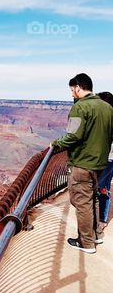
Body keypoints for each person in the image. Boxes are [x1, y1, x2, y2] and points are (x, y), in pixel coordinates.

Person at [53, 74, 113, 253]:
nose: (72, 94)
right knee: (91, 197)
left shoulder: (81, 107)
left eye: (72, 90)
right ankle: (95, 235)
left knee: (81, 201)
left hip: (83, 163)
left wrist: (57, 144)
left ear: (78, 87)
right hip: (100, 163)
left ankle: (86, 243)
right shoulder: (107, 107)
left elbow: (73, 135)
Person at [97, 91, 113, 230]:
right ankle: (101, 219)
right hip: (108, 158)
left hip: (107, 159)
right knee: (103, 187)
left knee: (102, 188)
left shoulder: (108, 118)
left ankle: (101, 220)